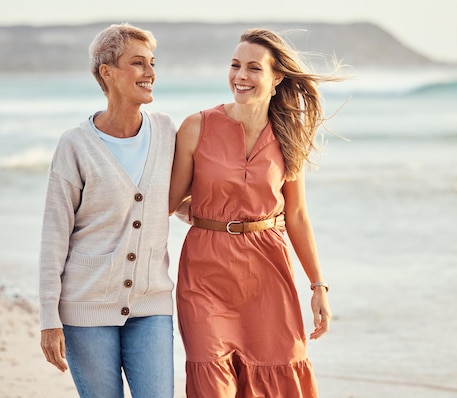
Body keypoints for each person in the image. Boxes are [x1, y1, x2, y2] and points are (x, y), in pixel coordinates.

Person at [168, 27, 346, 397]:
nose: (240, 76)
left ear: (277, 77)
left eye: (253, 68)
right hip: (205, 272)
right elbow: (166, 203)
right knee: (211, 382)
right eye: (235, 66)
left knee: (274, 382)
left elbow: (296, 216)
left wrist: (318, 286)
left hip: (267, 269)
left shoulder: (288, 135)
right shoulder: (195, 127)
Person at [39, 23, 176, 397]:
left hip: (152, 304)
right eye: (137, 63)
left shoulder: (166, 132)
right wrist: (49, 318)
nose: (150, 73)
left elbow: (181, 200)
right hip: (86, 307)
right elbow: (54, 236)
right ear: (107, 72)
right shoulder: (75, 145)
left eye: (151, 62)